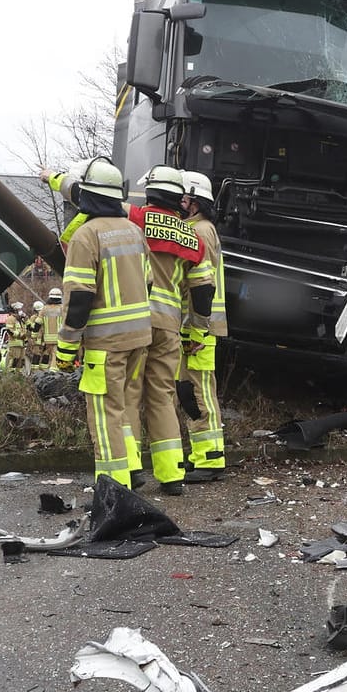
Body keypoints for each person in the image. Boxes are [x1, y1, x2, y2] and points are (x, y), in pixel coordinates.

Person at [51, 158, 154, 485]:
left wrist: (65, 350)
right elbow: (148, 282)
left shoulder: (86, 236)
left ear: (89, 197)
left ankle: (113, 486)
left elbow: (79, 299)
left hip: (105, 345)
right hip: (139, 338)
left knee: (104, 415)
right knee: (124, 409)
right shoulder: (135, 232)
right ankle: (132, 469)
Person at [127, 165, 203, 493]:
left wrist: (54, 179)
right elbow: (202, 290)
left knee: (128, 395)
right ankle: (172, 476)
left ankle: (129, 470)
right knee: (162, 397)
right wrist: (195, 332)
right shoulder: (191, 236)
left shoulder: (135, 218)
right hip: (170, 326)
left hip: (135, 323)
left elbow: (89, 201)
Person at [178, 171, 227, 480]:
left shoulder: (201, 232)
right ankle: (201, 454)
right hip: (196, 325)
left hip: (201, 328)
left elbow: (202, 286)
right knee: (189, 391)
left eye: (182, 198)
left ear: (194, 203)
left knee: (198, 392)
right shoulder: (196, 228)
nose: (177, 204)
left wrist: (198, 330)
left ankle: (210, 459)